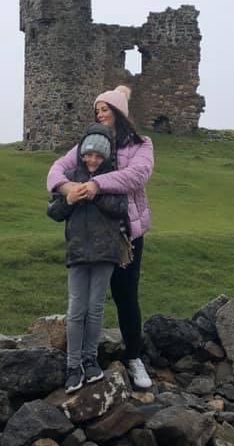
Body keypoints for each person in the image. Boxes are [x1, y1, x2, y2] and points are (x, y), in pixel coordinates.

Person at [47, 85, 154, 389]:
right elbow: (56, 170)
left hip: (125, 235)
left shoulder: (141, 144)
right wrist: (67, 188)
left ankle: (133, 358)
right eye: (97, 110)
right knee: (84, 302)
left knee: (125, 296)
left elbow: (138, 175)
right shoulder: (90, 141)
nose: (99, 113)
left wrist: (95, 184)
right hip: (92, 233)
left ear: (119, 111)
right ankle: (81, 360)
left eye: (105, 108)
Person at [47, 123, 129, 394]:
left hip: (106, 253)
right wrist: (71, 196)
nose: (92, 160)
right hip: (78, 252)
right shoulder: (69, 177)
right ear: (81, 153)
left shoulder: (114, 179)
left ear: (106, 157)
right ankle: (73, 367)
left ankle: (90, 359)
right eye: (88, 154)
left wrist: (94, 193)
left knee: (95, 309)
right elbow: (54, 212)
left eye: (98, 156)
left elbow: (120, 209)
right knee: (75, 310)